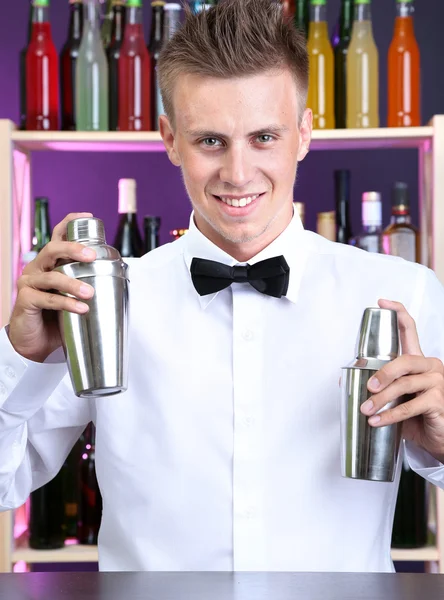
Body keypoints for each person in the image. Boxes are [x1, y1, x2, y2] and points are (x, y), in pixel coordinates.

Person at [1, 0, 444, 573]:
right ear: (170, 138)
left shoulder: (405, 292)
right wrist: (18, 360)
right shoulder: (101, 301)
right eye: (211, 140)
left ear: (304, 133)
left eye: (264, 137)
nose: (238, 173)